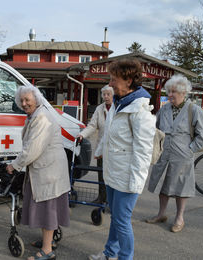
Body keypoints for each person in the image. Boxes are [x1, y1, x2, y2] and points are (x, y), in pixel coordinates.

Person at [88, 59, 156, 260]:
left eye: (114, 79)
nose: (110, 83)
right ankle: (110, 253)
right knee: (116, 219)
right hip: (113, 172)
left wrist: (136, 183)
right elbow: (108, 132)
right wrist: (100, 149)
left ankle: (125, 257)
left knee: (122, 220)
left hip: (128, 178)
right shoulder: (118, 103)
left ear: (128, 81)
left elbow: (143, 151)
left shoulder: (139, 110)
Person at [6, 85, 70, 260]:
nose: (24, 103)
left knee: (47, 209)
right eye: (22, 100)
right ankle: (48, 241)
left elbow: (33, 148)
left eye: (28, 99)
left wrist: (14, 165)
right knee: (48, 207)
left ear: (37, 99)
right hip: (47, 167)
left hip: (49, 170)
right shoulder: (35, 115)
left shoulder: (41, 117)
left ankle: (48, 251)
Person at [147, 74, 203, 233]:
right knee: (162, 182)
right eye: (169, 91)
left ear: (183, 92)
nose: (170, 94)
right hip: (164, 152)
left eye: (174, 91)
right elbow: (156, 129)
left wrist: (190, 149)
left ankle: (179, 218)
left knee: (182, 185)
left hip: (183, 153)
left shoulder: (193, 109)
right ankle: (161, 214)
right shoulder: (164, 108)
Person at [76, 84, 114, 204]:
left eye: (108, 94)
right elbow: (92, 126)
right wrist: (82, 134)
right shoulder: (99, 108)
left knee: (114, 176)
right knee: (101, 174)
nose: (106, 97)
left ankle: (113, 201)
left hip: (115, 149)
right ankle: (101, 198)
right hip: (101, 149)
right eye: (104, 94)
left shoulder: (118, 107)